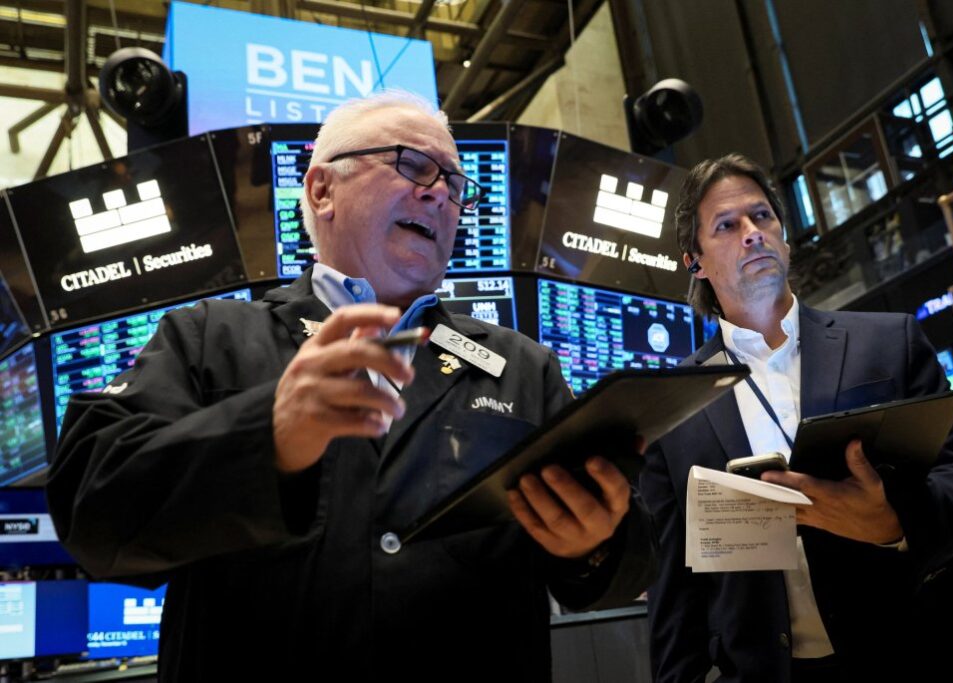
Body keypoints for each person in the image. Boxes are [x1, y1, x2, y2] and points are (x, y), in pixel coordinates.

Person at [47, 91, 654, 681]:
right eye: (411, 164)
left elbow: (622, 570)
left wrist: (594, 545)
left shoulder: (522, 366)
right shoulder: (208, 337)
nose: (439, 192)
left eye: (455, 183)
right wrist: (264, 435)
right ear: (321, 190)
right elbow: (91, 513)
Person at [639, 153, 953, 682]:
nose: (752, 233)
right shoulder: (672, 407)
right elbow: (674, 586)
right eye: (727, 225)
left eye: (762, 216)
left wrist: (894, 523)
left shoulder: (889, 342)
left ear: (785, 238)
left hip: (922, 652)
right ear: (694, 261)